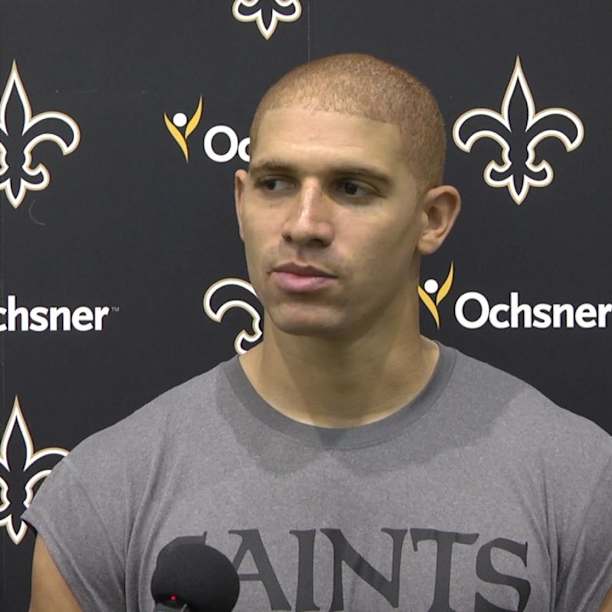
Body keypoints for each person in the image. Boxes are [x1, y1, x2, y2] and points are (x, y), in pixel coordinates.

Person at [24, 53, 611, 611]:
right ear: (240, 202)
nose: (304, 225)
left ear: (432, 219)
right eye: (275, 184)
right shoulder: (106, 491)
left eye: (352, 188)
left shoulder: (580, 483)